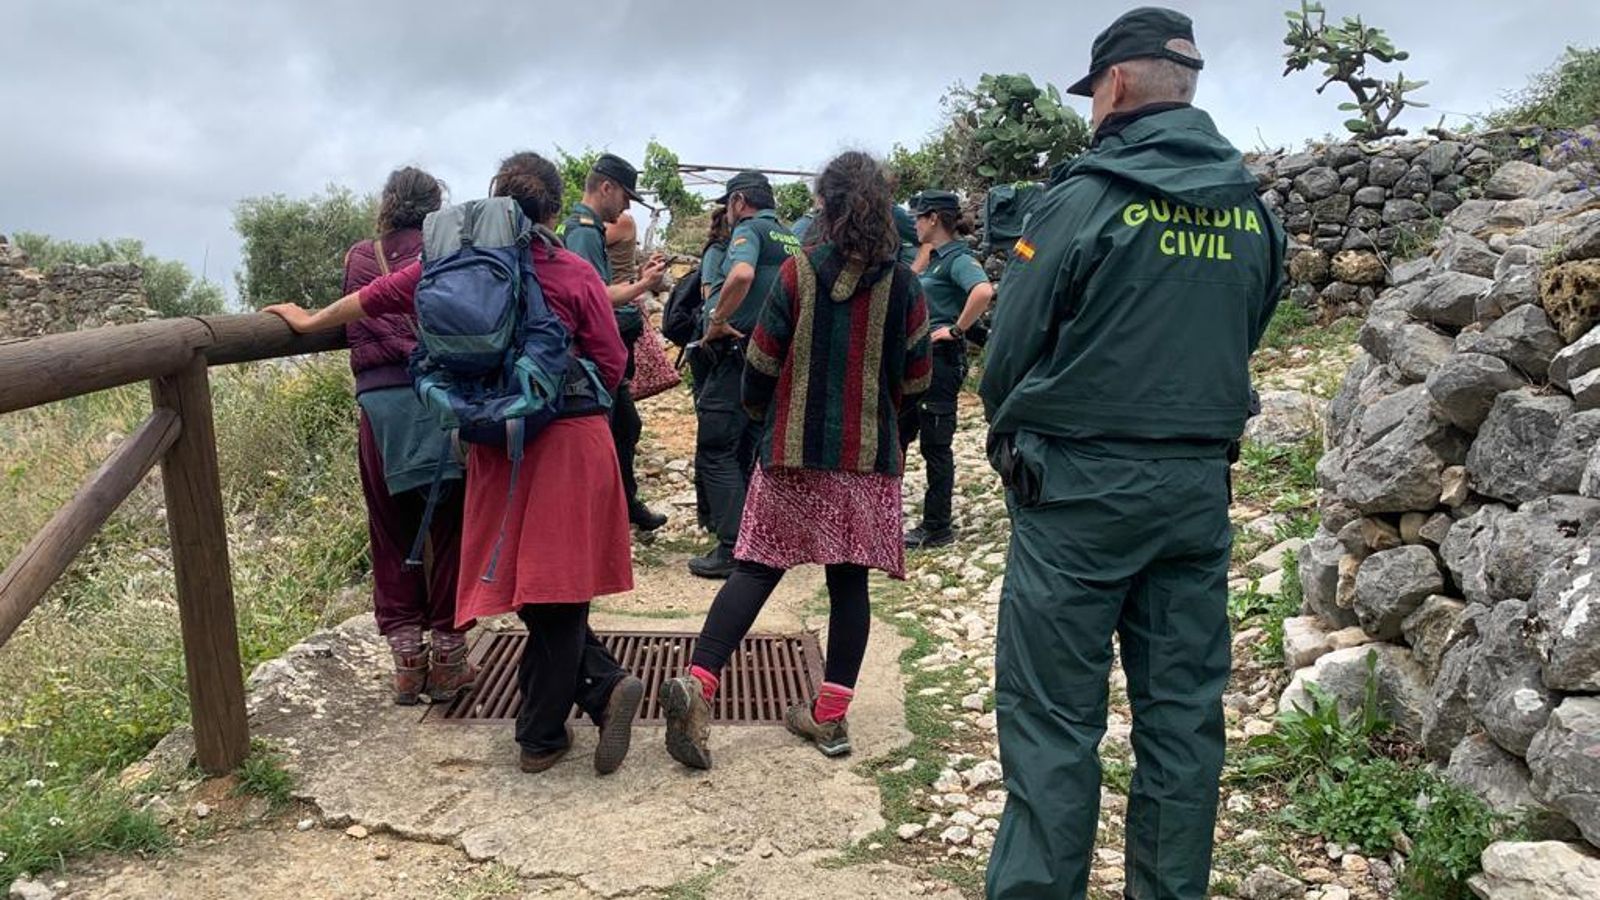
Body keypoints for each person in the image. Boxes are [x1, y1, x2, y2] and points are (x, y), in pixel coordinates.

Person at [979, 9, 1285, 899]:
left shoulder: (1083, 197)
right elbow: (1248, 331)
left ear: (1113, 85)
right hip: (1196, 495)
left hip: (1076, 495)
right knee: (1185, 722)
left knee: (1050, 724)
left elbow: (1010, 352)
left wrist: (1020, 443)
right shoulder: (1253, 213)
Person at [264, 152, 650, 778]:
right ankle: (558, 721)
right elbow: (610, 362)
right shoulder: (575, 272)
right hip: (571, 437)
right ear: (553, 208)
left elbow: (376, 296)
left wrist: (309, 321)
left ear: (493, 204)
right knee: (560, 584)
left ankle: (569, 712)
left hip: (496, 439)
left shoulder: (459, 267)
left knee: (528, 583)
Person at [660, 151, 932, 769]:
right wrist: (897, 434)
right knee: (849, 582)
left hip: (790, 452)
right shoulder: (905, 284)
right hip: (866, 458)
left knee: (754, 568)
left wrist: (762, 422)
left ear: (826, 207)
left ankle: (700, 682)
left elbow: (760, 363)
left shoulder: (797, 272)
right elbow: (917, 377)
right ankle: (830, 717)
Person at [340, 166, 469, 706]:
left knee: (390, 530)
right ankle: (449, 663)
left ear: (388, 203)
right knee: (451, 528)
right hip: (439, 403)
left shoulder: (358, 257)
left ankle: (406, 668)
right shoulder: (449, 254)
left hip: (379, 407)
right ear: (436, 207)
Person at [688, 171, 802, 579]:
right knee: (750, 448)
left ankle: (733, 546)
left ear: (738, 202)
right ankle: (759, 537)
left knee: (716, 447)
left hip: (737, 351)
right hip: (775, 356)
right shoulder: (792, 238)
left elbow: (740, 275)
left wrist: (717, 320)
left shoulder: (748, 232)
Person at [558, 154, 670, 532]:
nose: (626, 207)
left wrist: (638, 278)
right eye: (625, 196)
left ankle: (621, 507)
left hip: (598, 351)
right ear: (606, 187)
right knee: (614, 428)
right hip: (590, 354)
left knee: (624, 425)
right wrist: (643, 286)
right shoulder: (584, 231)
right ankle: (608, 513)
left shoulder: (586, 228)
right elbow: (592, 297)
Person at [899, 190, 994, 550]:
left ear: (934, 218)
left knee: (936, 445)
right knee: (901, 434)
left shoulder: (958, 258)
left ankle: (937, 526)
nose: (915, 223)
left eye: (919, 216)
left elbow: (983, 291)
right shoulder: (936, 258)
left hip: (940, 362)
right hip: (920, 362)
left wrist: (956, 329)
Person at [690, 206, 732, 533]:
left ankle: (714, 514)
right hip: (710, 347)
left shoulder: (725, 252)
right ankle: (708, 513)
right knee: (712, 430)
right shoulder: (717, 254)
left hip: (718, 348)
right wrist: (718, 325)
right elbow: (710, 298)